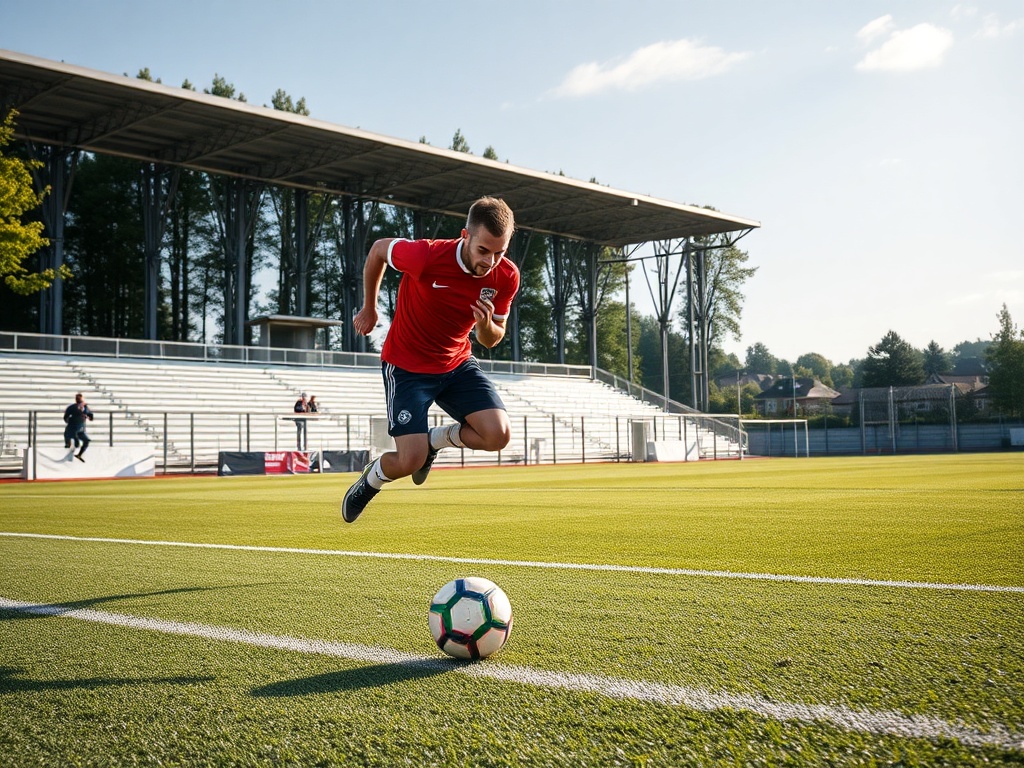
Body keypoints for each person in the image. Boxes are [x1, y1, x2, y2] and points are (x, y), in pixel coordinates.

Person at [342, 196, 520, 523]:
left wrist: (484, 326)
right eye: (484, 251)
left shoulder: (506, 276)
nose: (491, 261)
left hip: (456, 364)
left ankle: (437, 439)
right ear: (465, 236)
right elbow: (379, 249)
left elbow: (492, 338)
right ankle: (370, 480)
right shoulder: (426, 256)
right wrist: (369, 306)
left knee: (499, 435)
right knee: (410, 460)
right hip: (407, 366)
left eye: (500, 252)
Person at [63, 392, 94, 462]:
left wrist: (87, 416)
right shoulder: (72, 407)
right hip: (72, 428)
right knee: (75, 442)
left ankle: (79, 454)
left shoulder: (85, 407)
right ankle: (69, 445)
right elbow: (65, 417)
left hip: (80, 429)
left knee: (86, 441)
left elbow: (91, 417)